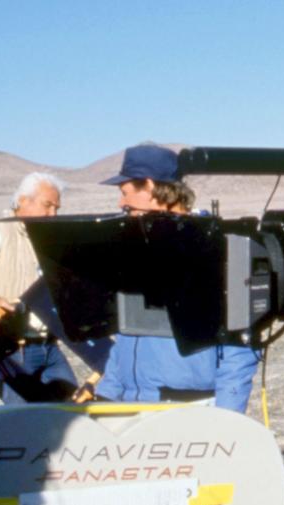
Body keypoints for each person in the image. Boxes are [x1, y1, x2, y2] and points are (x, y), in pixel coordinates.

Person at [95, 145, 258, 412]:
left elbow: (239, 348)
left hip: (185, 409)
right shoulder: (136, 247)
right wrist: (107, 395)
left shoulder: (215, 248)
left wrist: (227, 421)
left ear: (149, 186)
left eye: (125, 193)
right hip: (131, 406)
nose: (120, 203)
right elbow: (128, 331)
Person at [0, 173, 77, 403]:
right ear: (23, 201)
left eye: (57, 208)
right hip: (10, 348)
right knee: (24, 421)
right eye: (47, 205)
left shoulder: (51, 241)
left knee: (72, 414)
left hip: (49, 346)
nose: (53, 214)